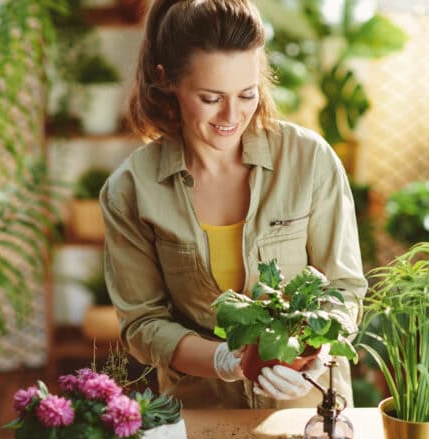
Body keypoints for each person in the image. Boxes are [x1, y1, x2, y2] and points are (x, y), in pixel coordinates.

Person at [100, 0, 367, 410]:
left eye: (247, 94)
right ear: (166, 79)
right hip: (203, 415)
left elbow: (344, 287)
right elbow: (142, 324)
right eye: (210, 98)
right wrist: (225, 361)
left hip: (310, 412)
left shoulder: (309, 160)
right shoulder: (131, 190)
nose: (232, 115)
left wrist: (320, 352)